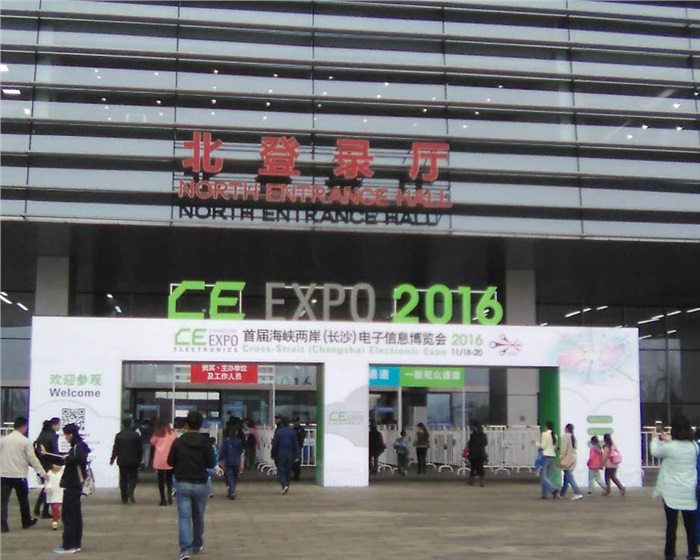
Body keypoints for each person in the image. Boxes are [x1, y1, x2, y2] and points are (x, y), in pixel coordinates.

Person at [167, 411, 215, 560]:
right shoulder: (206, 443)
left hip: (182, 483)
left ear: (186, 424)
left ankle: (185, 550)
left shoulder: (178, 442)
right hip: (201, 483)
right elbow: (211, 463)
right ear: (201, 425)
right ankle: (197, 544)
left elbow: (170, 461)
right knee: (198, 515)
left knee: (184, 517)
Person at [651, 415, 698, 560]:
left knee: (671, 525)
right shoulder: (694, 446)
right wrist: (669, 441)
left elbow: (655, 451)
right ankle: (693, 552)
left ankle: (670, 554)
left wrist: (655, 439)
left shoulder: (669, 447)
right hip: (689, 490)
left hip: (670, 491)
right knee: (690, 526)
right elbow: (680, 449)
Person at [0, 417, 47, 533]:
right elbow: (32, 459)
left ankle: (3, 524)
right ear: (24, 427)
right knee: (23, 500)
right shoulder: (25, 442)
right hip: (19, 475)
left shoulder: (3, 440)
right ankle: (26, 521)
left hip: (4, 474)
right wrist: (42, 473)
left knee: (3, 502)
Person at [53, 423, 90, 554]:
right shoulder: (78, 446)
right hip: (74, 484)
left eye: (66, 435)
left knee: (69, 515)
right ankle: (75, 543)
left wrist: (68, 458)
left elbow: (80, 459)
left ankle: (69, 545)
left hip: (73, 484)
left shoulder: (78, 447)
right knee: (74, 514)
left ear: (71, 435)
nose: (66, 438)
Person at [110, 418, 143, 504]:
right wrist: (140, 459)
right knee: (133, 477)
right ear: (131, 424)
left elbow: (115, 448)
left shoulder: (119, 436)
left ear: (123, 424)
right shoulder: (136, 435)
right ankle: (130, 491)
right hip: (134, 460)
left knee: (123, 479)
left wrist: (112, 458)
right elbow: (140, 448)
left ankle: (124, 497)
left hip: (122, 460)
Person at [33, 417, 61, 518]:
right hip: (49, 464)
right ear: (54, 425)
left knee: (47, 486)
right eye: (59, 425)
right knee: (49, 487)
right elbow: (54, 452)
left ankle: (40, 508)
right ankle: (43, 509)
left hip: (42, 463)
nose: (59, 427)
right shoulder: (51, 436)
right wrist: (58, 462)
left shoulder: (43, 434)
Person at [151, 419, 178, 506]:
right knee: (169, 479)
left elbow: (153, 443)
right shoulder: (173, 433)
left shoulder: (157, 434)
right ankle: (169, 495)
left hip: (159, 459)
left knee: (161, 480)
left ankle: (163, 499)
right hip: (170, 458)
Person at [271, 417, 300, 495]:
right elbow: (296, 444)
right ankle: (287, 484)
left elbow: (275, 444)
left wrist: (273, 453)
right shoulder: (293, 432)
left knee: (281, 470)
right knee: (288, 470)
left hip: (280, 453)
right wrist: (297, 455)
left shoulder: (278, 432)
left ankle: (284, 485)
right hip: (290, 454)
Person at [219, 423, 245, 500]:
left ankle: (232, 491)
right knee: (235, 476)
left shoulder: (226, 441)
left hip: (228, 461)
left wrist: (220, 459)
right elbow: (241, 450)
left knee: (229, 477)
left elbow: (223, 451)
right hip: (236, 461)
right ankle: (232, 489)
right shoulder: (239, 441)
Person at [535, 420, 559, 499]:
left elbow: (543, 446)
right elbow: (554, 447)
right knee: (547, 476)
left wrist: (536, 444)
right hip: (552, 456)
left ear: (546, 426)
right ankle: (544, 494)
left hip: (545, 455)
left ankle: (553, 489)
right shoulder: (555, 435)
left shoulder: (544, 434)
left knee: (543, 476)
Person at [559, 423, 583, 501]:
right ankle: (562, 493)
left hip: (567, 457)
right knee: (567, 475)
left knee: (569, 475)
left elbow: (563, 449)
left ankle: (577, 492)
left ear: (566, 429)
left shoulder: (565, 437)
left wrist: (561, 458)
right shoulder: (574, 437)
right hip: (573, 457)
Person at [467, 420, 488, 487]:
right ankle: (481, 482)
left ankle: (471, 481)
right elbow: (485, 443)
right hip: (481, 453)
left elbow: (470, 444)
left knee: (473, 467)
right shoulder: (483, 435)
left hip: (473, 454)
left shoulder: (472, 435)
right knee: (480, 467)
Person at [45, 464, 65, 531]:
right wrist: (48, 488)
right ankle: (56, 520)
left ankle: (58, 520)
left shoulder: (63, 471)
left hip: (61, 491)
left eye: (58, 465)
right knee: (54, 507)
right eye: (55, 465)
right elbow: (47, 482)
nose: (57, 467)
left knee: (60, 506)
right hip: (52, 492)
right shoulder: (49, 473)